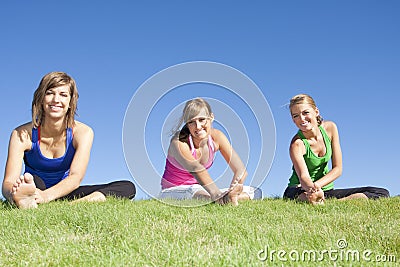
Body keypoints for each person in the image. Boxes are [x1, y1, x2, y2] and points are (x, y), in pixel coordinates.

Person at [2, 71, 136, 209]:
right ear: (41, 98)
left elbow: (75, 177)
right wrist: (13, 195)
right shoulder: (21, 134)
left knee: (127, 187)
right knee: (34, 181)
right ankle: (25, 200)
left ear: (71, 101)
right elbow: (8, 181)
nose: (56, 100)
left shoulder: (83, 133)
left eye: (63, 95)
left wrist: (46, 196)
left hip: (64, 192)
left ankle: (71, 205)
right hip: (35, 188)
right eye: (49, 93)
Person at [283, 94, 389, 204]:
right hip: (300, 188)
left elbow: (338, 169)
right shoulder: (297, 144)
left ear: (316, 112)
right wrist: (312, 190)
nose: (301, 119)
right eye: (296, 116)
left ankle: (331, 202)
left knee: (381, 193)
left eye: (305, 113)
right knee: (308, 197)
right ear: (293, 120)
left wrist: (318, 186)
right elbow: (303, 177)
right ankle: (315, 200)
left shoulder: (330, 128)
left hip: (324, 189)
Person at [159, 98, 262, 205]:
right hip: (173, 190)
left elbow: (240, 169)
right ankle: (219, 199)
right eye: (191, 122)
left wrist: (236, 186)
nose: (198, 127)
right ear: (187, 124)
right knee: (193, 191)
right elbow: (195, 167)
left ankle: (227, 198)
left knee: (255, 192)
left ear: (211, 117)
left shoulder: (216, 137)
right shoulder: (178, 141)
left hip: (201, 190)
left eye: (202, 119)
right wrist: (216, 193)